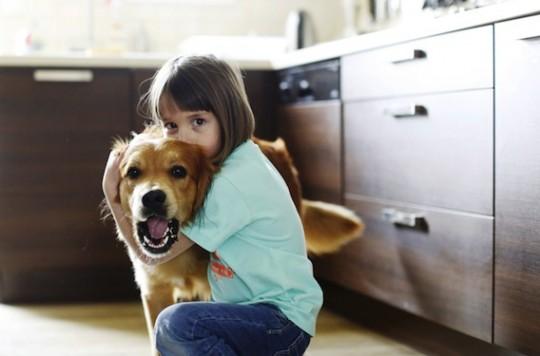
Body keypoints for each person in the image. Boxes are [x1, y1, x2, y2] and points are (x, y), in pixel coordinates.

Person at [102, 55, 322, 356]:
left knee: (177, 325)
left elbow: (152, 256)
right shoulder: (240, 160)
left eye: (198, 121)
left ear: (230, 117)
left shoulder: (232, 183)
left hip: (277, 322)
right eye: (171, 125)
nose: (184, 137)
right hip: (264, 316)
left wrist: (111, 194)